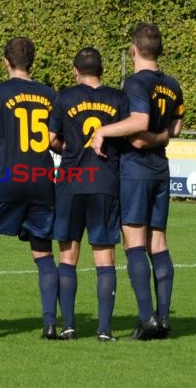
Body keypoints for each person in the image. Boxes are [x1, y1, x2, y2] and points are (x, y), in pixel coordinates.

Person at [91, 22, 185, 340]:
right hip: (160, 170)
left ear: (133, 50)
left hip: (135, 171)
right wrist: (157, 137)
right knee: (157, 242)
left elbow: (139, 122)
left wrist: (103, 130)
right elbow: (176, 128)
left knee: (134, 242)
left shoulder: (134, 82)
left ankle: (146, 318)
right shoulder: (172, 84)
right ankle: (163, 318)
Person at [0, 37, 59, 339]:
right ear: (31, 62)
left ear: (6, 62)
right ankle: (49, 323)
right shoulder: (49, 94)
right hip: (43, 179)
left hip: (9, 177)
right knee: (43, 253)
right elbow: (54, 139)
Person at [49, 47, 129, 342]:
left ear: (75, 70)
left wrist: (68, 150)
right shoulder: (119, 98)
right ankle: (105, 330)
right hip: (106, 183)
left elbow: (51, 139)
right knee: (104, 258)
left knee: (68, 257)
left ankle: (69, 326)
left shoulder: (65, 97)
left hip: (71, 182)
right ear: (102, 70)